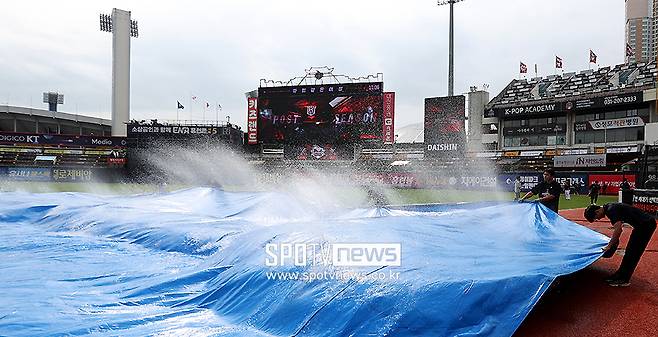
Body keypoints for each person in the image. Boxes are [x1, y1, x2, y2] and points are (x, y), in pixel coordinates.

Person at [584, 203, 656, 287]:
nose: (598, 218)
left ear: (597, 211)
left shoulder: (611, 210)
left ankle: (624, 279)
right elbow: (618, 227)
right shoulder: (609, 208)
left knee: (633, 253)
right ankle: (619, 275)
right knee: (630, 251)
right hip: (641, 225)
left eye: (596, 217)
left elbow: (618, 230)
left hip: (646, 225)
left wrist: (609, 246)